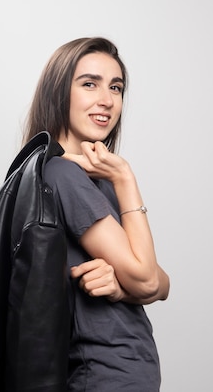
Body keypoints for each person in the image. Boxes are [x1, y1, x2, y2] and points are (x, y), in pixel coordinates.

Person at [22, 37, 170, 391]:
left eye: (116, 87)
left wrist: (121, 289)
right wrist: (125, 177)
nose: (107, 100)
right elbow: (149, 280)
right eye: (90, 84)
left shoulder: (89, 180)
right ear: (59, 92)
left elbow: (162, 282)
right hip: (103, 374)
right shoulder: (64, 174)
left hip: (119, 374)